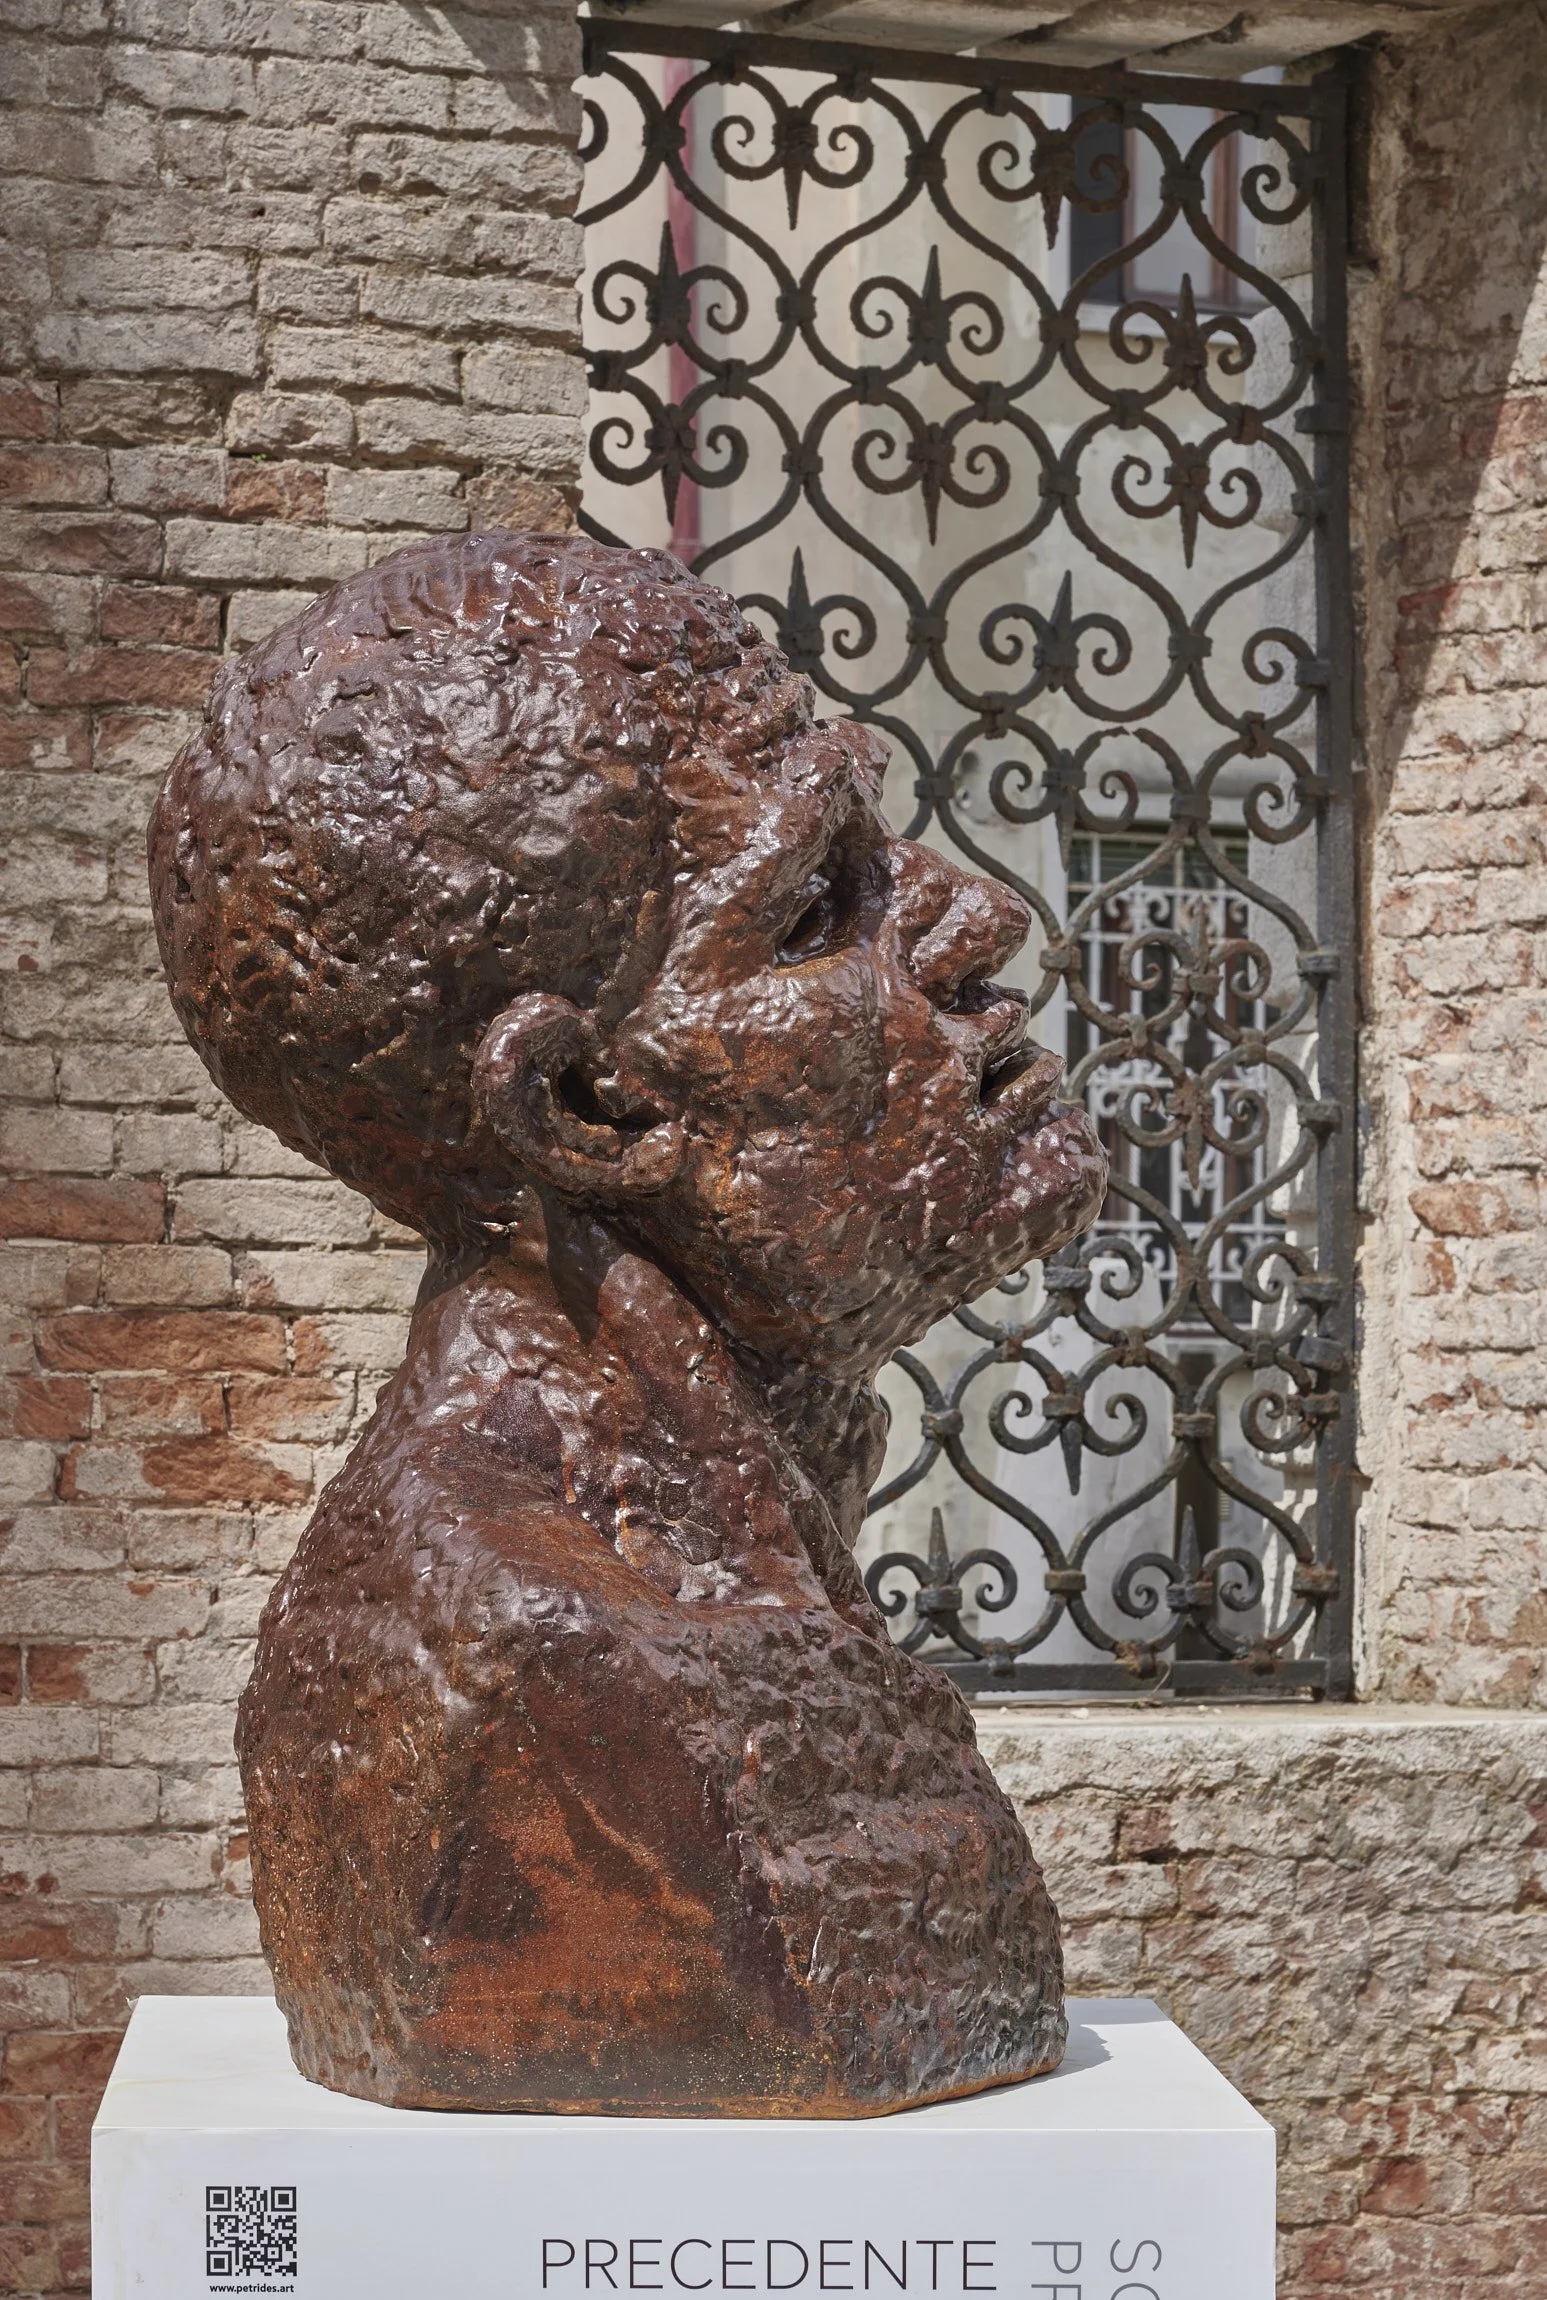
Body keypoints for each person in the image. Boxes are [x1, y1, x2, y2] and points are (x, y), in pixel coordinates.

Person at [148, 531, 1107, 2115]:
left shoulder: (743, 1523)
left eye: (884, 843)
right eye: (815, 908)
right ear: (587, 1106)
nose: (975, 924)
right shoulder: (546, 1654)